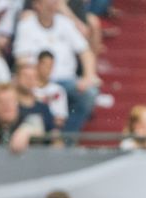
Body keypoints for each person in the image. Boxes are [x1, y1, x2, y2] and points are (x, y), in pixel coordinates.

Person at [13, 0, 100, 132]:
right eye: (49, 3)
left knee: (90, 93)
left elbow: (85, 51)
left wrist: (88, 76)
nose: (53, 5)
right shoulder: (26, 25)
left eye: (55, 3)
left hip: (67, 81)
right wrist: (35, 80)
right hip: (38, 81)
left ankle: (66, 138)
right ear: (37, 5)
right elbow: (21, 60)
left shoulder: (65, 23)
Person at [0, 82, 45, 154]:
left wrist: (25, 131)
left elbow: (38, 127)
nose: (6, 105)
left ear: (17, 103)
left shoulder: (29, 119)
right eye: (1, 102)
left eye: (10, 101)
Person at [34, 50, 68, 130]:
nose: (48, 69)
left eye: (51, 65)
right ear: (37, 64)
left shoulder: (58, 90)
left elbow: (60, 117)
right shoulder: (28, 88)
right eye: (45, 65)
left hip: (50, 129)